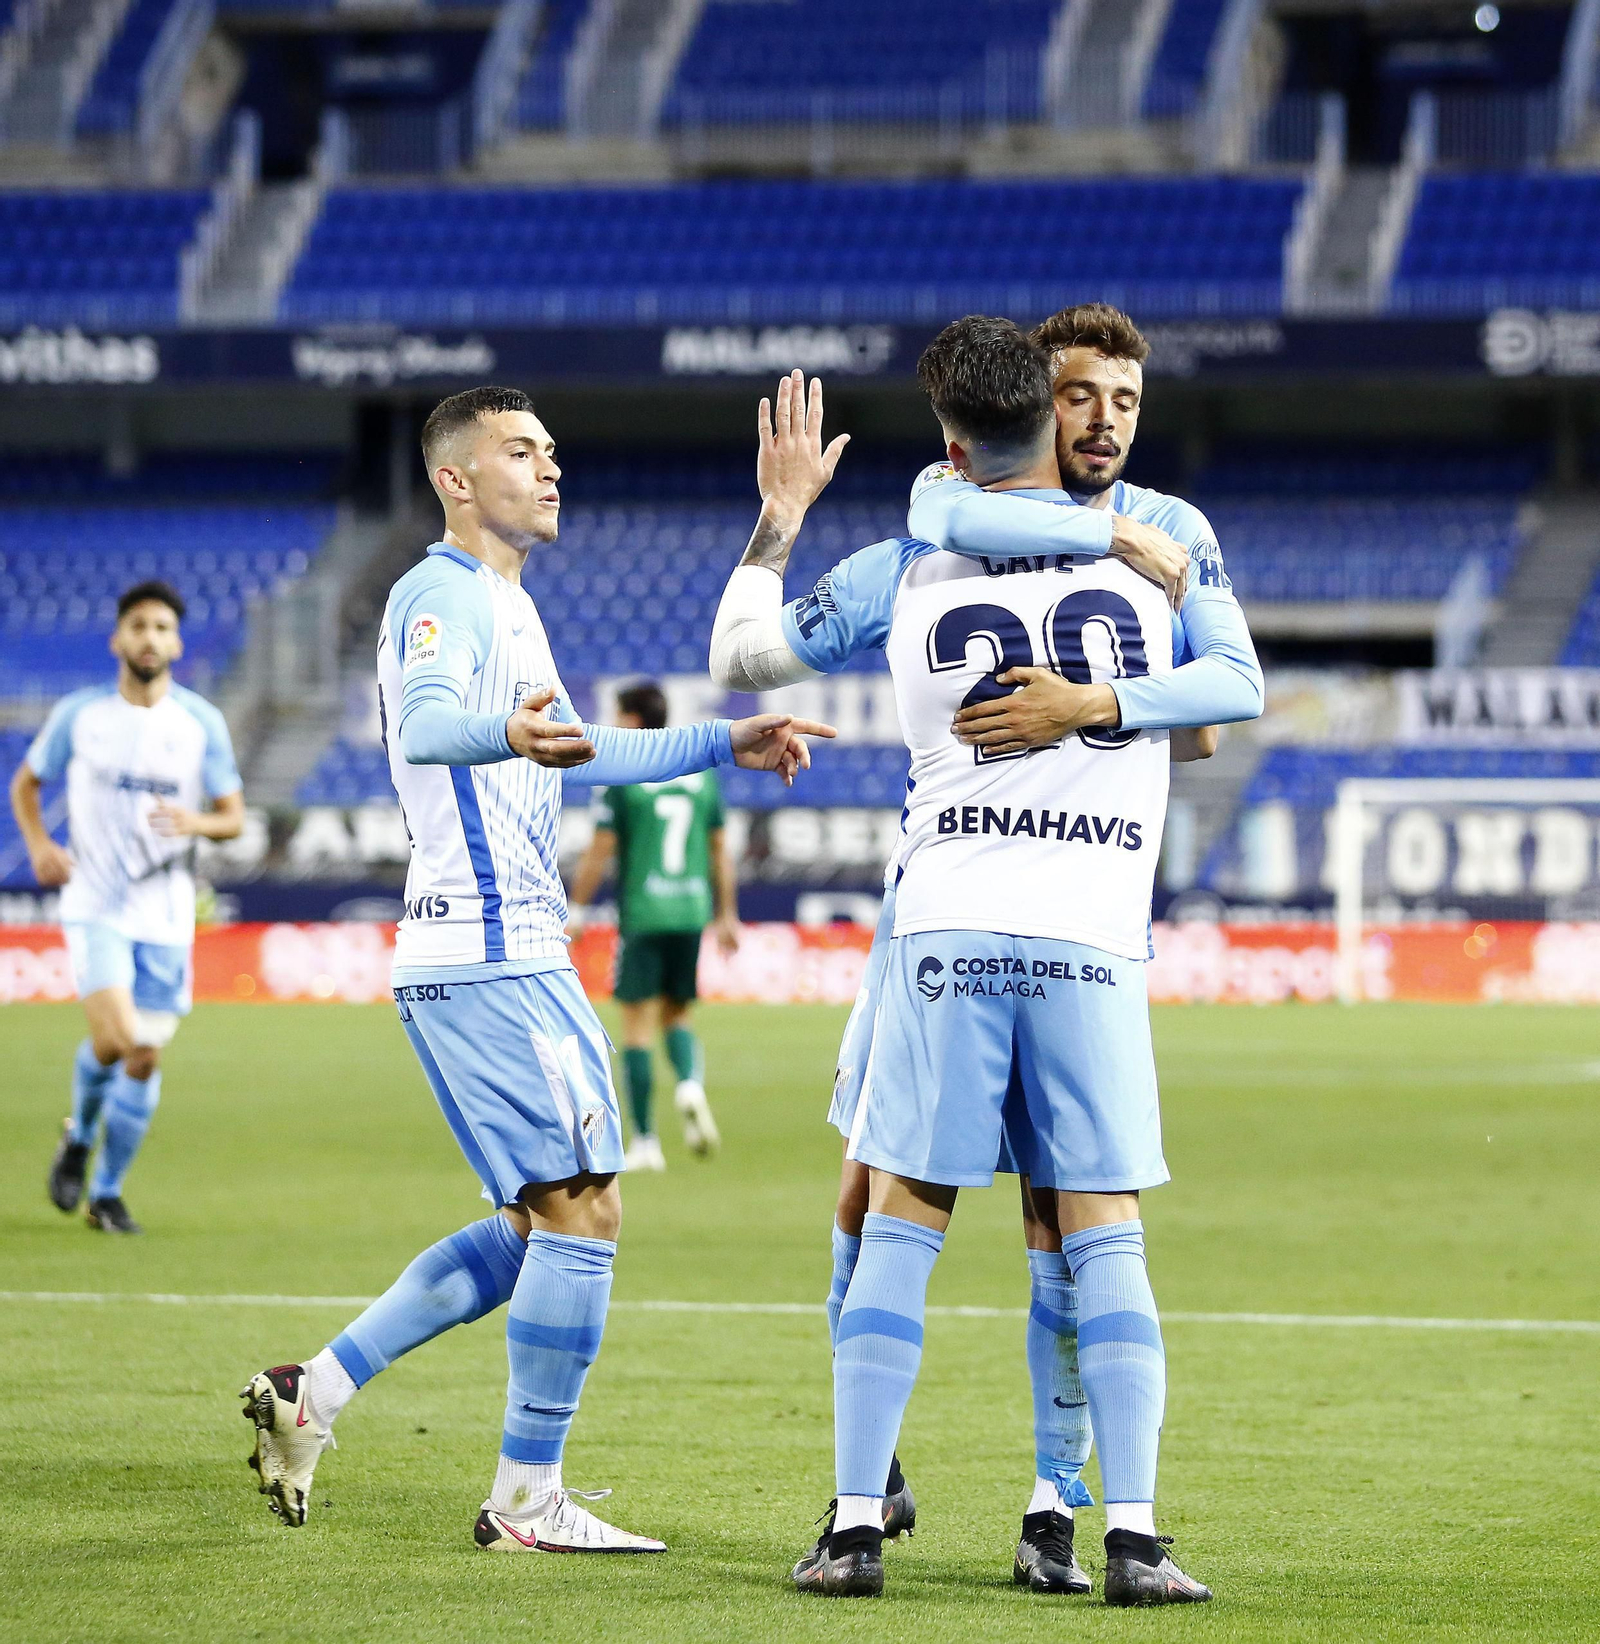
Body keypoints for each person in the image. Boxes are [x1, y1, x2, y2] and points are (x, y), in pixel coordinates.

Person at [709, 327, 1261, 1604]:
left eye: (1126, 398)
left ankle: (994, 1512)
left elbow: (745, 658)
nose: (1106, 419)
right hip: (1057, 933)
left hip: (955, 924)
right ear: (1041, 413)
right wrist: (1114, 694)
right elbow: (1230, 689)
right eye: (1081, 396)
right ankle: (1104, 1525)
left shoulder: (921, 553)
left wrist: (781, 516)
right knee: (1060, 1219)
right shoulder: (1151, 558)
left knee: (924, 1208)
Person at [239, 386, 831, 1555]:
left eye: (553, 450)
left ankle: (316, 1393)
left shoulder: (509, 604)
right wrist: (501, 731)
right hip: (487, 947)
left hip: (514, 947)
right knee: (585, 1211)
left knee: (534, 1226)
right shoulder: (438, 593)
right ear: (456, 479)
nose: (550, 469)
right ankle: (524, 1501)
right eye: (520, 452)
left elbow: (580, 747)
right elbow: (423, 723)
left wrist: (727, 740)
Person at [10, 580, 244, 1235]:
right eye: (138, 626)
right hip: (95, 904)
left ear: (176, 642)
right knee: (116, 1039)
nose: (150, 637)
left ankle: (105, 1193)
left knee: (143, 1055)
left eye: (162, 627)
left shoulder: (201, 724)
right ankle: (82, 1137)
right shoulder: (81, 716)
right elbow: (27, 783)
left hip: (166, 913)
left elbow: (233, 818)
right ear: (118, 639)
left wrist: (193, 821)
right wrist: (39, 845)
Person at [566, 680, 739, 1169]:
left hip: (643, 913)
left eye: (619, 716)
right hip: (690, 911)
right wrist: (726, 914)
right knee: (678, 1016)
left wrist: (576, 909)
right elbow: (720, 850)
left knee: (637, 1027)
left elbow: (601, 849)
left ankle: (644, 1142)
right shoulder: (699, 775)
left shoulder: (621, 776)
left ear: (635, 720)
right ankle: (688, 1083)